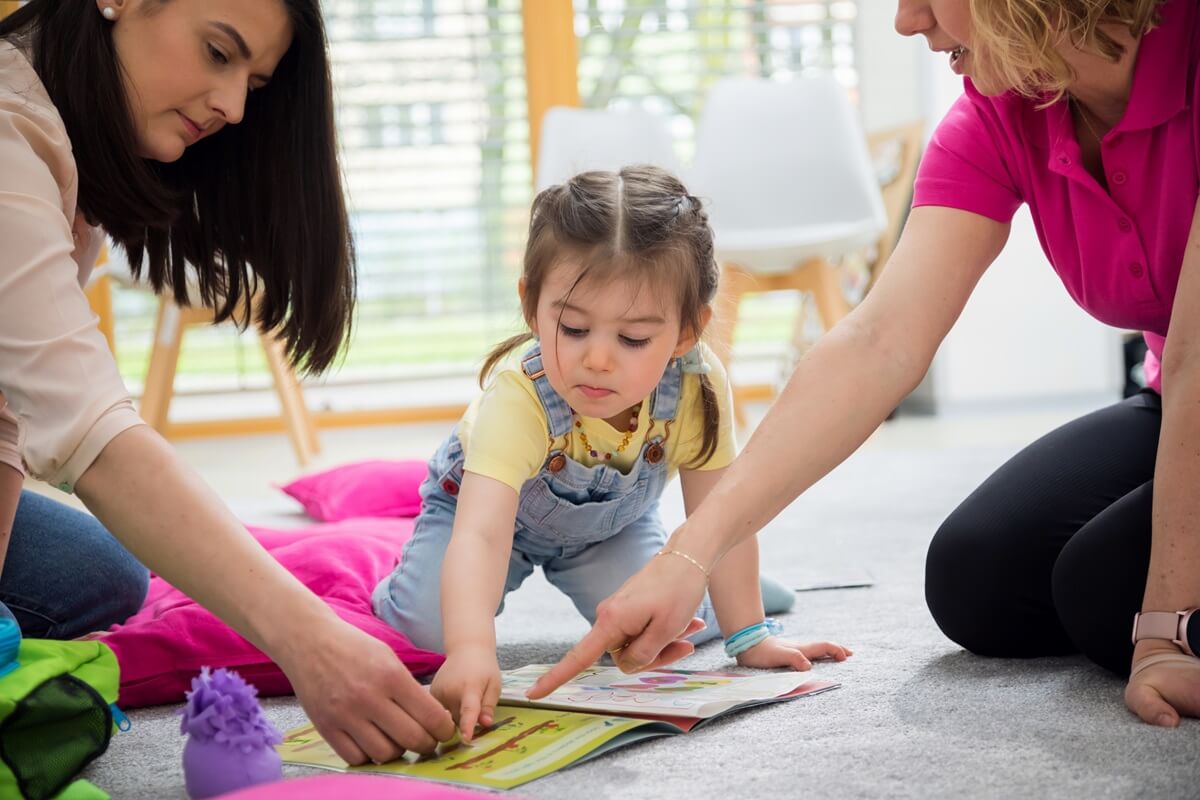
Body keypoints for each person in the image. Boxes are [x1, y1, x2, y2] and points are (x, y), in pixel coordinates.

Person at [526, 0, 1200, 731]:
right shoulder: (1005, 113)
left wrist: (1168, 627)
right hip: (1174, 395)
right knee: (979, 584)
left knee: (1107, 598)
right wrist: (687, 558)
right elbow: (881, 340)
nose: (907, 21)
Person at [0, 0, 455, 764]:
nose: (235, 107)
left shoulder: (62, 136)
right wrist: (311, 640)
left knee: (104, 575)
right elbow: (93, 437)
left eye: (256, 79)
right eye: (219, 52)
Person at [372, 166, 852, 740]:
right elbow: (480, 535)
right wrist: (472, 650)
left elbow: (719, 515)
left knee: (665, 628)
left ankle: (738, 593)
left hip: (609, 533)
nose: (597, 359)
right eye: (573, 328)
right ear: (532, 306)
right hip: (479, 517)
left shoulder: (698, 387)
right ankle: (385, 570)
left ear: (686, 332)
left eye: (632, 340)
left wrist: (749, 634)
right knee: (425, 632)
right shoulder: (518, 396)